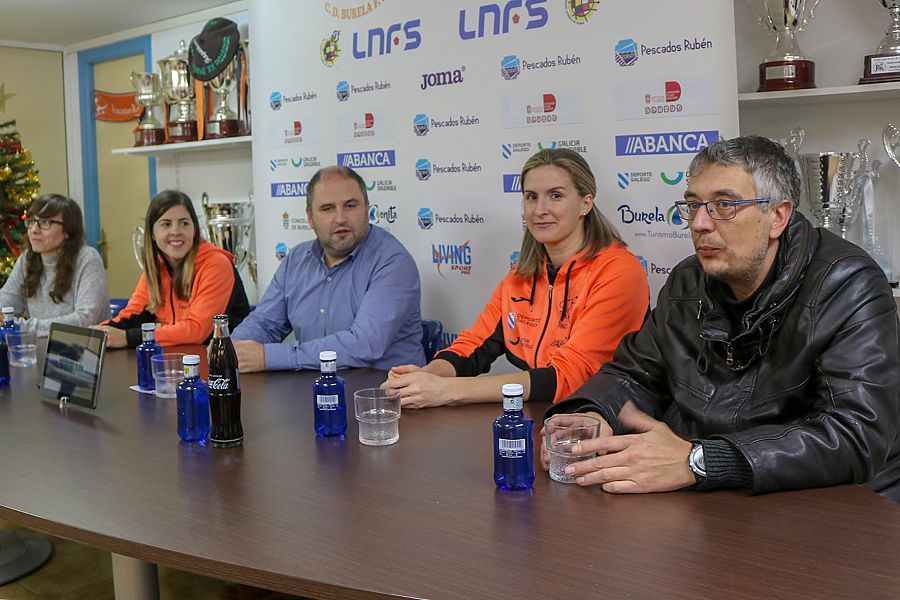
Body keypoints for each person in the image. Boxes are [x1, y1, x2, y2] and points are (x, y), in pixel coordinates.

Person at [543, 135, 900, 502]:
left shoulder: (848, 283)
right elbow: (634, 374)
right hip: (719, 495)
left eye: (724, 205)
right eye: (693, 205)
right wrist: (590, 415)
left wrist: (701, 460)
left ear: (777, 216)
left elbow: (855, 434)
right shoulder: (687, 280)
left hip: (838, 503)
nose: (699, 223)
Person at [383, 148, 649, 408]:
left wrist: (447, 390)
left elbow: (569, 375)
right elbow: (474, 345)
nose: (540, 209)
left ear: (585, 203)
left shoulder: (619, 271)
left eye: (555, 196)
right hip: (544, 413)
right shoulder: (522, 274)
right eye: (531, 197)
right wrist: (425, 377)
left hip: (605, 417)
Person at [230, 165, 424, 372]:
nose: (340, 218)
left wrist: (267, 357)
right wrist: (231, 349)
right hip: (313, 385)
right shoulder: (295, 260)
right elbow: (264, 323)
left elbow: (364, 345)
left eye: (350, 206)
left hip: (383, 389)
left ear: (367, 209)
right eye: (327, 209)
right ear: (310, 217)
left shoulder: (393, 262)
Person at [96, 190, 250, 347]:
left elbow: (196, 330)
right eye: (166, 224)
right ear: (152, 234)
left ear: (194, 230)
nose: (176, 231)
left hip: (220, 359)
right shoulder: (156, 268)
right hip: (180, 357)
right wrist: (99, 333)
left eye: (184, 223)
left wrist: (128, 338)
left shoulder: (217, 265)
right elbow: (131, 316)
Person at [0, 193, 109, 336]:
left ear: (67, 231)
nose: (34, 229)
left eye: (45, 222)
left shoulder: (87, 259)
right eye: (31, 221)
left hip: (81, 347)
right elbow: (5, 305)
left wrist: (23, 327)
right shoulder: (27, 259)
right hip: (38, 347)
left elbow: (85, 320)